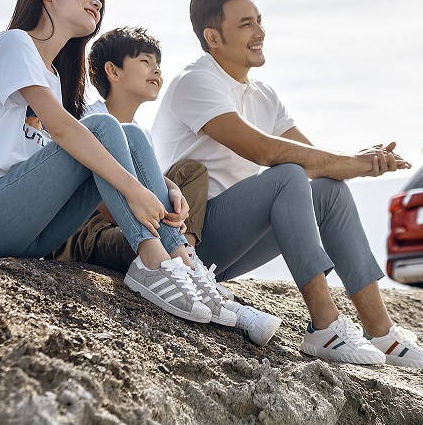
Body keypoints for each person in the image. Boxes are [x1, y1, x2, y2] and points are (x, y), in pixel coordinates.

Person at [151, 0, 423, 369]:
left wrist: (364, 161)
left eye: (259, 20)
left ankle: (382, 332)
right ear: (213, 37)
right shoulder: (196, 81)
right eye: (246, 24)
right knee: (288, 174)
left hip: (232, 246)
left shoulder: (264, 95)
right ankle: (325, 326)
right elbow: (263, 150)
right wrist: (357, 163)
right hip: (188, 240)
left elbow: (316, 160)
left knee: (329, 190)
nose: (260, 32)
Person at [0, 0, 220, 327]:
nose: (97, 1)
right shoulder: (13, 43)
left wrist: (165, 186)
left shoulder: (54, 77)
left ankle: (183, 263)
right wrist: (135, 190)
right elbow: (63, 130)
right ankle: (153, 262)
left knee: (131, 133)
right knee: (102, 126)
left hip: (32, 233)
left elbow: (81, 149)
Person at [49, 26, 280, 345]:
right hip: (90, 231)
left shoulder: (141, 134)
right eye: (145, 61)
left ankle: (186, 261)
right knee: (145, 233)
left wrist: (170, 192)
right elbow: (99, 198)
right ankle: (182, 270)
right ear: (114, 71)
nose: (157, 70)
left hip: (144, 224)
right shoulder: (91, 120)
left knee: (191, 171)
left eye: (158, 63)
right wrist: (153, 217)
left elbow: (148, 182)